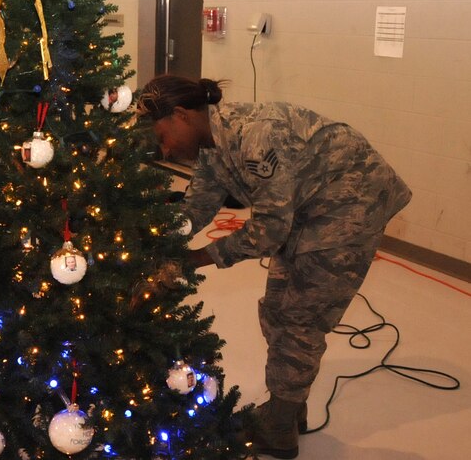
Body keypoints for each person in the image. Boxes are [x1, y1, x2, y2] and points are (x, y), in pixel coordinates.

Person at [137, 74, 411, 460]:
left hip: (348, 206)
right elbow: (198, 206)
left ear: (181, 115)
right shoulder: (212, 143)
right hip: (305, 210)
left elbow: (268, 230)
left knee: (300, 320)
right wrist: (155, 242)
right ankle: (289, 405)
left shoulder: (256, 137)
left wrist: (193, 260)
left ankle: (279, 429)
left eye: (162, 136)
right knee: (277, 310)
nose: (164, 151)